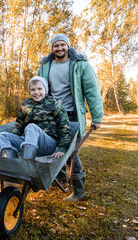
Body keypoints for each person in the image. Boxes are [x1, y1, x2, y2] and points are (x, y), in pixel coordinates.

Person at [37, 33, 104, 202]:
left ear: (68, 46)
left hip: (72, 114)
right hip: (52, 113)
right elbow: (38, 90)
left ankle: (79, 191)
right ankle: (59, 180)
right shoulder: (45, 66)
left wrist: (97, 117)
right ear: (52, 48)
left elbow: (92, 91)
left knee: (70, 152)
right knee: (53, 146)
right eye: (55, 46)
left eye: (62, 45)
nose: (59, 48)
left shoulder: (80, 65)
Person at [0, 76, 71, 161]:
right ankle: (11, 162)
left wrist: (63, 148)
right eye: (33, 90)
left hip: (48, 143)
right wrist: (14, 139)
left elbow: (64, 126)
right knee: (3, 135)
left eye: (39, 89)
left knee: (31, 127)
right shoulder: (26, 104)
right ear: (29, 91)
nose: (36, 92)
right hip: (29, 142)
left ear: (45, 90)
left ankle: (27, 162)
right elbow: (19, 124)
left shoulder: (54, 103)